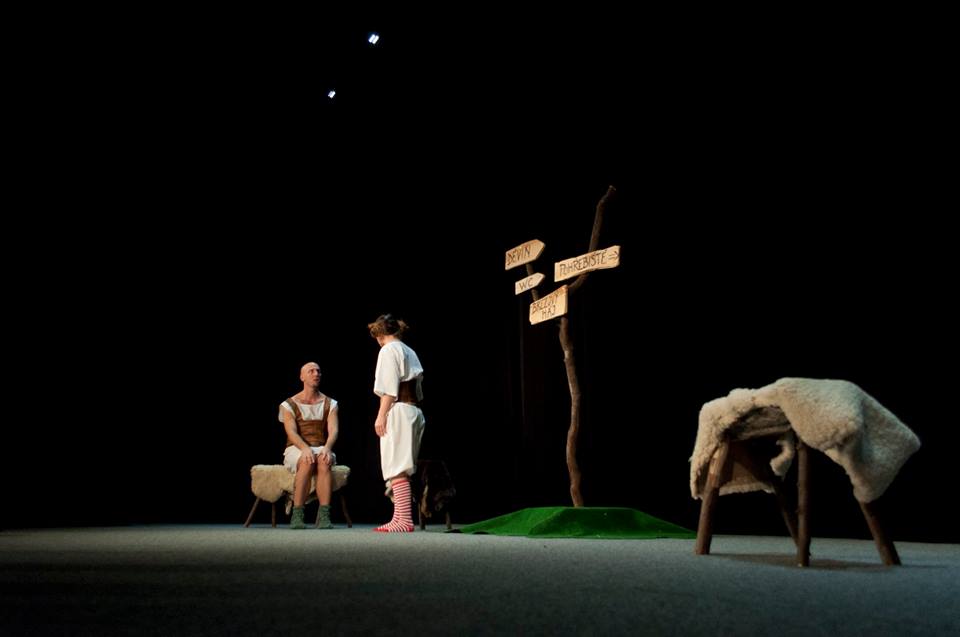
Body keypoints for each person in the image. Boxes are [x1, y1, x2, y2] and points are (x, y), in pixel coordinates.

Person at [368, 314, 425, 532]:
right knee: (400, 465)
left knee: (397, 465)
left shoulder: (388, 350)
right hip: (413, 410)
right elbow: (418, 388)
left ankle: (405, 520)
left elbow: (390, 389)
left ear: (379, 334)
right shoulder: (409, 350)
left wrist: (381, 415)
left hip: (399, 410)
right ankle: (399, 517)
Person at [279, 361, 339, 529]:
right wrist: (305, 448)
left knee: (324, 460)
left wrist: (327, 447)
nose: (316, 374)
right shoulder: (289, 404)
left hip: (320, 446)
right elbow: (291, 432)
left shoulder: (330, 403)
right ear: (302, 377)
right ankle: (297, 514)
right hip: (297, 447)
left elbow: (334, 430)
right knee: (307, 460)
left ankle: (325, 515)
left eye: (318, 371)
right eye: (311, 371)